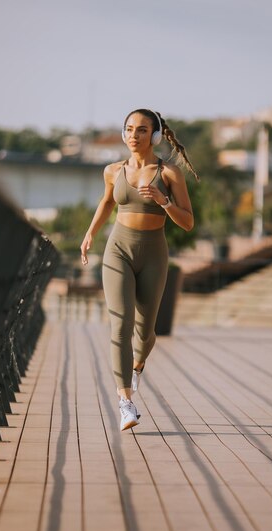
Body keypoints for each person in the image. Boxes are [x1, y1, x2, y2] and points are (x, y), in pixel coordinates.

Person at [80, 108, 199, 431]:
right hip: (118, 249)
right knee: (120, 324)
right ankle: (125, 402)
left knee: (144, 333)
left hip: (154, 253)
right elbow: (107, 202)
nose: (134, 135)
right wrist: (90, 233)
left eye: (142, 130)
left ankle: (137, 364)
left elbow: (188, 222)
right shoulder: (112, 170)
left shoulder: (170, 173)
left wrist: (164, 201)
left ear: (155, 136)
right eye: (129, 129)